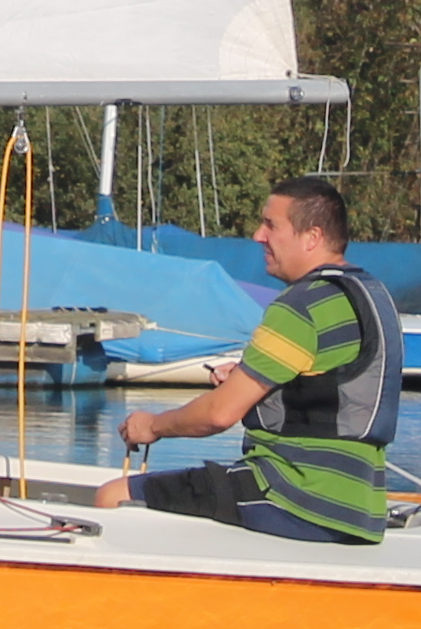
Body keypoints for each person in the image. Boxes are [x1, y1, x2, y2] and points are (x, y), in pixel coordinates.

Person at [94, 175, 399, 543]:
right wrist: (250, 381)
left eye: (271, 225)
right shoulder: (373, 295)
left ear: (312, 237)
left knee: (113, 496)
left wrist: (153, 426)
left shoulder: (301, 306)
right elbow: (333, 385)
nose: (258, 236)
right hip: (359, 509)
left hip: (292, 496)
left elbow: (218, 415)